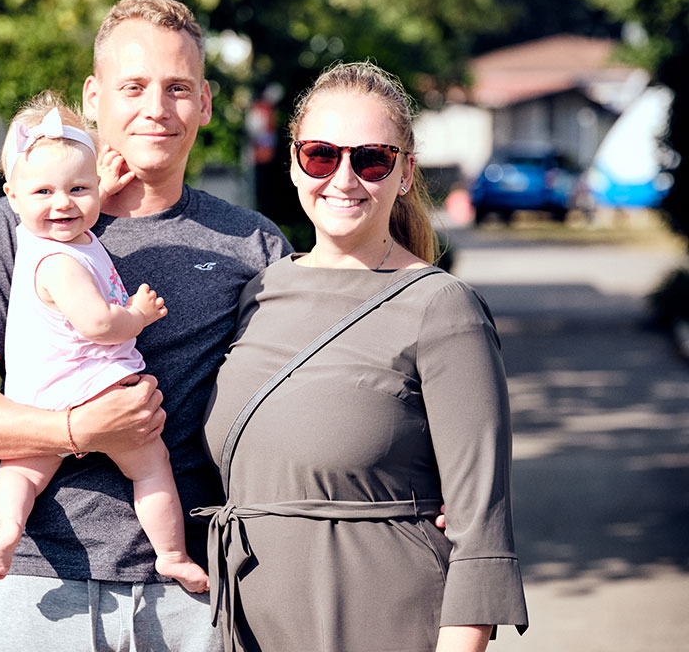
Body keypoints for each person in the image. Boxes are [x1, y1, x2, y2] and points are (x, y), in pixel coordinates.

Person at [0, 0, 292, 651]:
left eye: (178, 89)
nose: (156, 108)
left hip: (191, 595)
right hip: (34, 587)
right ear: (93, 97)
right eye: (133, 86)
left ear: (204, 102)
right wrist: (73, 429)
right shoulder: (15, 226)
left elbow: (304, 403)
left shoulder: (252, 245)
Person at [196, 61, 529, 652]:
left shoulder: (443, 308)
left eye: (371, 159)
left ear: (404, 174)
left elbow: (482, 535)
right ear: (295, 163)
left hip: (384, 623)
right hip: (248, 627)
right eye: (322, 155)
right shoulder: (259, 292)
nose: (344, 178)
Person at [0, 91, 208, 594]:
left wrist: (97, 190)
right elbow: (99, 325)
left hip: (38, 397)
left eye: (77, 189)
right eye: (43, 193)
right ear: (11, 198)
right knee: (152, 471)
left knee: (21, 475)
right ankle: (170, 554)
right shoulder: (59, 261)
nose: (63, 203)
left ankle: (9, 531)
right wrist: (138, 315)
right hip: (102, 391)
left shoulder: (58, 239)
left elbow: (75, 204)